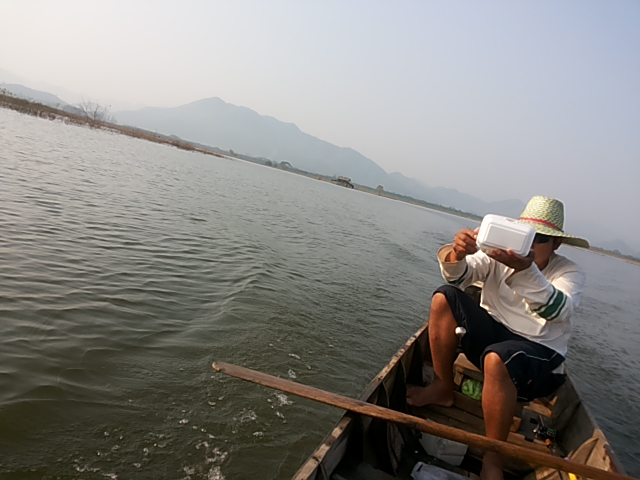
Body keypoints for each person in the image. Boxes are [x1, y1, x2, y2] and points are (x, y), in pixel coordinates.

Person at [407, 196, 589, 480]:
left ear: (557, 244)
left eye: (539, 238)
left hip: (539, 356)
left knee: (498, 358)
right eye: (525, 235)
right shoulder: (497, 255)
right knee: (444, 297)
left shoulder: (568, 272)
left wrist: (524, 269)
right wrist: (458, 253)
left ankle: (494, 454)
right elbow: (459, 278)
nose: (529, 245)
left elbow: (557, 310)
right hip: (496, 338)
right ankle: (442, 388)